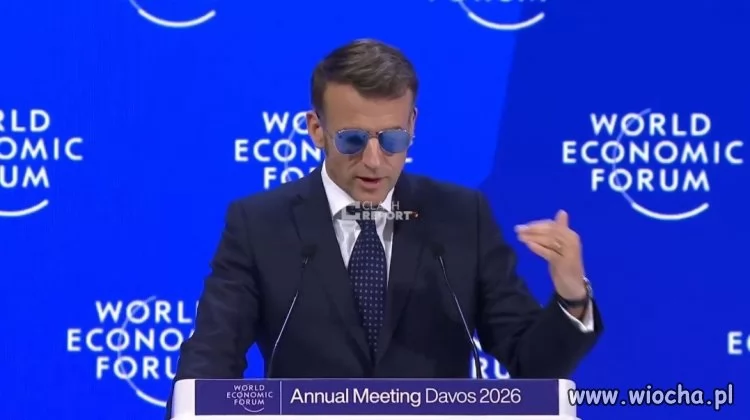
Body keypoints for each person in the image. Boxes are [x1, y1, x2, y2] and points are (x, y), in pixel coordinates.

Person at [166, 38, 602, 418]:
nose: (374, 161)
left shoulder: (460, 217)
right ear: (317, 129)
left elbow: (532, 365)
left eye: (392, 139)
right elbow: (212, 357)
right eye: (353, 140)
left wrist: (572, 297)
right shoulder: (260, 224)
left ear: (412, 125)